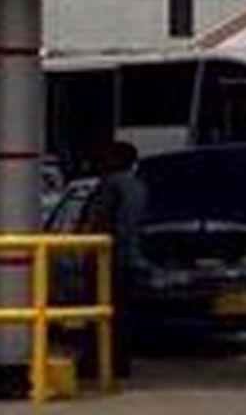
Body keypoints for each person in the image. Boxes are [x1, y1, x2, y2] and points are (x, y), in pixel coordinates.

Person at [87, 140, 147, 378]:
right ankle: (120, 362)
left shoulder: (110, 185)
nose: (101, 161)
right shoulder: (139, 186)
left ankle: (98, 361)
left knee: (100, 313)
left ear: (117, 160)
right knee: (123, 315)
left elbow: (99, 221)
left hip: (109, 260)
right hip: (131, 261)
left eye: (107, 156)